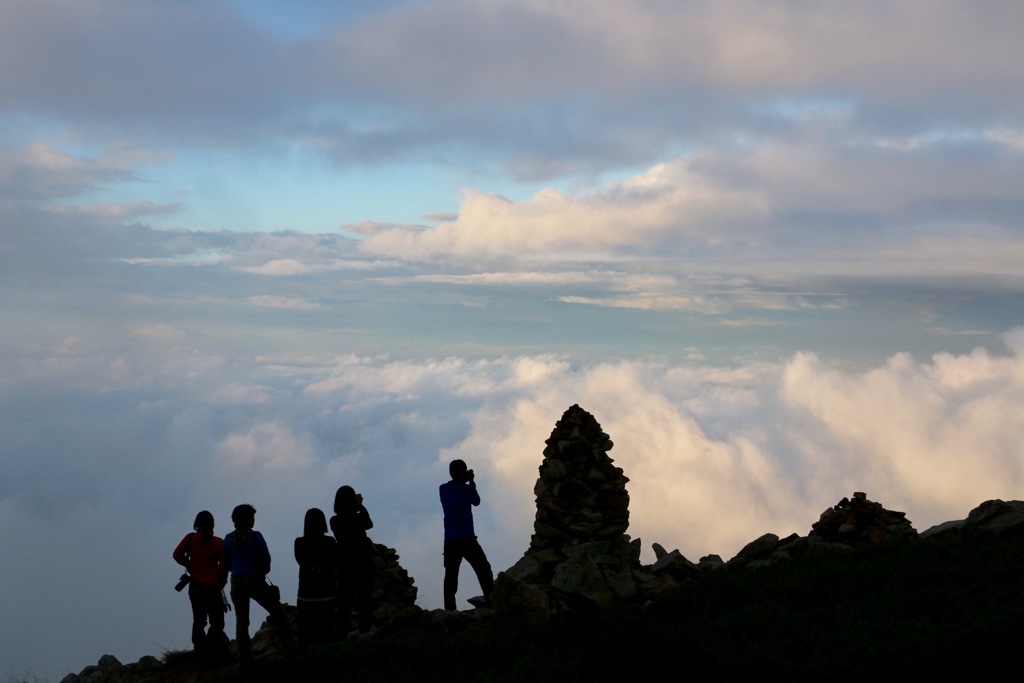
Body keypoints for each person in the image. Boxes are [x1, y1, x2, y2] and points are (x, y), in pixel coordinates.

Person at [223, 504, 290, 667]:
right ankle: (289, 647)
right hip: (254, 579)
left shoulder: (227, 539)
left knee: (242, 621)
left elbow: (226, 563)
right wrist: (260, 571)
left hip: (236, 581)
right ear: (248, 520)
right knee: (277, 611)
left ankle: (245, 660)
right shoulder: (255, 536)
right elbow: (266, 559)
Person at [172, 510, 228, 665]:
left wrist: (189, 564)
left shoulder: (190, 538)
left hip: (195, 586)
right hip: (213, 587)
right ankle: (211, 649)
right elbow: (224, 567)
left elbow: (177, 555)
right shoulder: (218, 543)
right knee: (217, 622)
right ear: (212, 525)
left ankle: (200, 651)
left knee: (199, 619)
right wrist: (221, 582)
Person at [439, 459, 493, 610]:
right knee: (483, 570)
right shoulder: (467, 489)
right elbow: (476, 501)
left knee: (450, 576)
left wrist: (465, 479)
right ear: (463, 473)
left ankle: (449, 610)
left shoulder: (443, 489)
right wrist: (471, 482)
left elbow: (456, 488)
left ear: (450, 473)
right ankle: (491, 601)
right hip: (467, 539)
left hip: (450, 540)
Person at [329, 486, 375, 635]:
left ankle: (342, 635)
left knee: (345, 602)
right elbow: (369, 523)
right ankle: (365, 632)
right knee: (365, 600)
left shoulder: (334, 521)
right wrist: (360, 506)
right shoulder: (358, 517)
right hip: (363, 561)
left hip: (344, 563)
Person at [294, 508, 337, 646]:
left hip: (305, 595)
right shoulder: (330, 542)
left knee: (306, 636)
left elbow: (301, 561)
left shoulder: (299, 542)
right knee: (326, 635)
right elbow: (335, 563)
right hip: (327, 594)